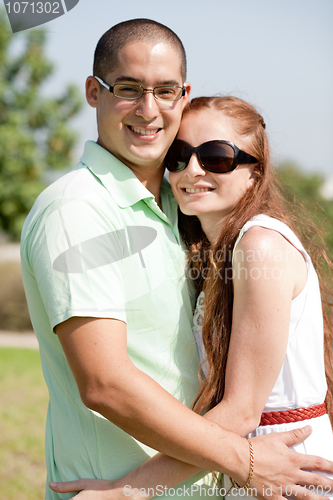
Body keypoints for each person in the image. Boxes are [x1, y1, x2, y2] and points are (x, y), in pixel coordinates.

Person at [21, 18, 333, 500]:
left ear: (183, 95)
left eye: (165, 91)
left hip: (218, 481)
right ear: (93, 91)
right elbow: (105, 382)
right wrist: (240, 463)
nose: (149, 110)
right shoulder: (78, 209)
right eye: (128, 88)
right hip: (114, 490)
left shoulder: (184, 213)